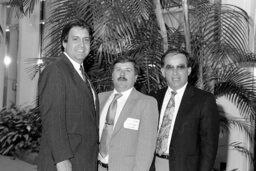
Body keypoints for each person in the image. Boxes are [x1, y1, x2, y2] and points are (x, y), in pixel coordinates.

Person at [37, 19, 99, 171]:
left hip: (83, 158)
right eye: (75, 39)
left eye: (86, 40)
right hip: (66, 161)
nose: (82, 45)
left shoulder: (82, 73)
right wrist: (62, 160)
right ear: (64, 43)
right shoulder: (56, 71)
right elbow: (53, 119)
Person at [150, 49, 219, 171]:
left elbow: (209, 148)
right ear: (163, 71)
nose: (175, 72)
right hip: (153, 165)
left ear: (188, 71)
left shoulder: (204, 100)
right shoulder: (153, 98)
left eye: (180, 67)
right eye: (170, 67)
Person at [97, 56, 159, 171]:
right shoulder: (100, 98)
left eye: (128, 70)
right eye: (118, 69)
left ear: (135, 77)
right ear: (112, 75)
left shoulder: (147, 103)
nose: (122, 74)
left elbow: (146, 148)